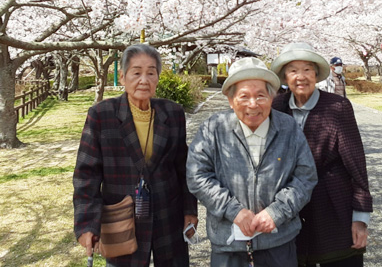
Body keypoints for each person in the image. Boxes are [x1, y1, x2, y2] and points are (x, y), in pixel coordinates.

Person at [73, 44, 198, 267]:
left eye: (151, 72)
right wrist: (87, 224)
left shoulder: (173, 112)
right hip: (121, 217)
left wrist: (189, 209)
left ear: (158, 77)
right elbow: (87, 174)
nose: (144, 80)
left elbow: (183, 166)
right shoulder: (102, 114)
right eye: (137, 72)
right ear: (122, 77)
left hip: (168, 213)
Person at [187, 57, 317, 267]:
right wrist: (234, 210)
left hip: (278, 241)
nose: (253, 104)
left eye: (261, 96)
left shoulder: (289, 128)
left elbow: (305, 176)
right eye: (244, 96)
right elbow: (197, 175)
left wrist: (277, 212)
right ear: (230, 100)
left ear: (272, 97)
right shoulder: (213, 128)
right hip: (228, 243)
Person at [270, 42, 373, 267]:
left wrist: (361, 218)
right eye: (293, 70)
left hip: (332, 205)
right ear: (284, 76)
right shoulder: (276, 106)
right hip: (289, 207)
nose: (301, 77)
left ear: (316, 74)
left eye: (307, 69)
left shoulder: (337, 107)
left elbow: (356, 164)